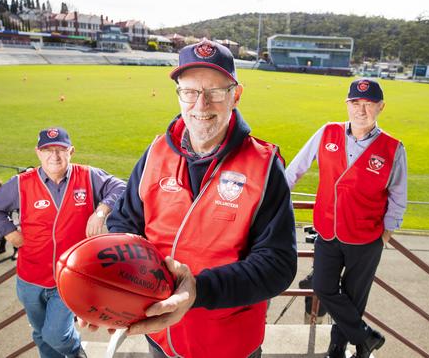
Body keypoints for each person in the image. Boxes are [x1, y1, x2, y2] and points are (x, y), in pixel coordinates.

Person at [104, 40, 298, 358]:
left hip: (231, 343)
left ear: (235, 95)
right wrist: (110, 282)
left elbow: (277, 264)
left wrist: (197, 290)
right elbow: (124, 223)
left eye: (215, 92)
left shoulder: (264, 165)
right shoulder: (155, 152)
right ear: (179, 95)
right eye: (191, 92)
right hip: (161, 336)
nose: (201, 105)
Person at [284, 78, 407, 358]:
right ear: (347, 104)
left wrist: (385, 235)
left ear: (380, 107)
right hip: (327, 231)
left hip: (366, 238)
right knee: (322, 287)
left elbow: (399, 196)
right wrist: (272, 199)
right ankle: (365, 337)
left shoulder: (393, 148)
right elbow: (294, 171)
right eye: (355, 103)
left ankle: (338, 348)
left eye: (368, 104)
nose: (360, 110)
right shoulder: (327, 132)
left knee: (354, 296)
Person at [0, 127, 126, 358]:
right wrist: (8, 232)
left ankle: (77, 353)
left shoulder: (88, 176)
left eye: (60, 149)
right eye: (48, 150)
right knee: (40, 334)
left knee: (55, 334)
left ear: (71, 151)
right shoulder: (22, 183)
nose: (54, 156)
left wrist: (100, 211)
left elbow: (120, 187)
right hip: (30, 278)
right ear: (38, 153)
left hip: (69, 277)